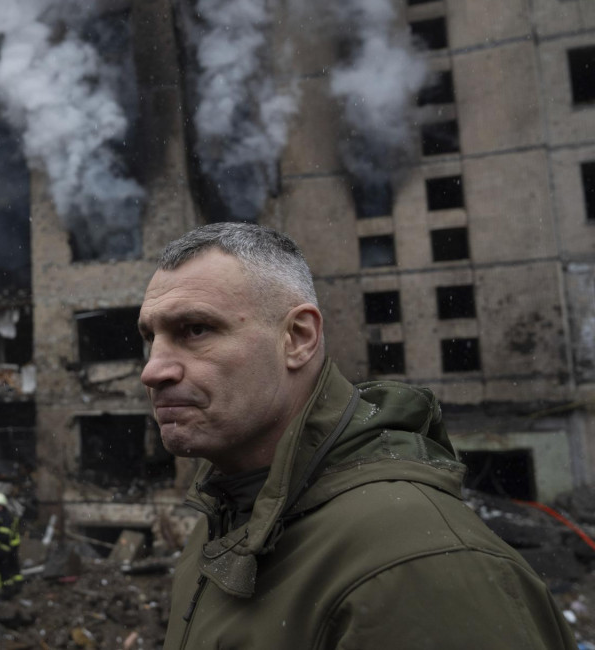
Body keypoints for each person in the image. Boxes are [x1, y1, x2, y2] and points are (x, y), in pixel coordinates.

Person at [138, 222, 573, 649]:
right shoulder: (218, 529)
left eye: (195, 330)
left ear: (297, 338)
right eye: (150, 338)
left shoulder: (415, 563)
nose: (153, 370)